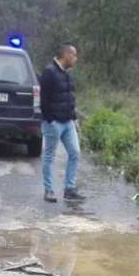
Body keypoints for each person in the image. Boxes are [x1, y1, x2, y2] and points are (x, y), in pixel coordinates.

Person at [39, 43, 82, 203]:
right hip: (54, 123)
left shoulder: (68, 74)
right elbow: (43, 101)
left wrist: (74, 118)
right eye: (74, 55)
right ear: (67, 55)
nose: (75, 59)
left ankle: (69, 189)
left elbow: (70, 98)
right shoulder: (49, 73)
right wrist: (50, 120)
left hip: (68, 122)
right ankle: (49, 190)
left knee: (75, 153)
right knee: (49, 156)